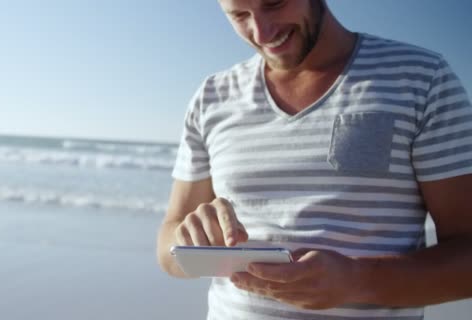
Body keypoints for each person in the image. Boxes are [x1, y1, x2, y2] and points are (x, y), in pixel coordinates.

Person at [156, 0, 472, 319]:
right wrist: (188, 239)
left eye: (274, 4)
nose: (262, 32)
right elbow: (168, 247)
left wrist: (359, 281)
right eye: (240, 15)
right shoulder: (212, 96)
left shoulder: (422, 79)